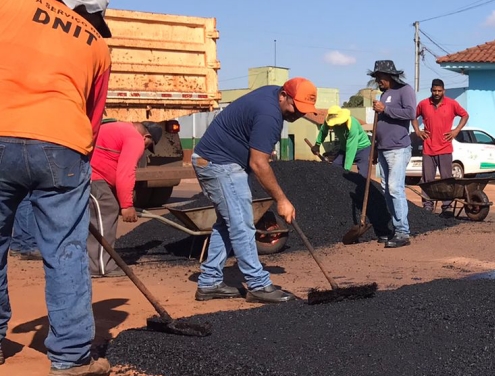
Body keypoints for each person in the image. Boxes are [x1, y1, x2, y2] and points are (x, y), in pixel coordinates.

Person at [0, 0, 113, 376]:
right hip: (62, 143)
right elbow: (93, 117)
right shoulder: (98, 46)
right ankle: (69, 360)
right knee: (65, 251)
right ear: (85, 12)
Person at [191, 78, 318, 303]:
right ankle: (259, 285)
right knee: (241, 224)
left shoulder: (271, 96)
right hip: (220, 164)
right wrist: (282, 200)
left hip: (216, 161)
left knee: (227, 223)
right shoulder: (269, 115)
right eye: (295, 107)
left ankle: (209, 282)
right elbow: (259, 163)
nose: (297, 114)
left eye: (303, 110)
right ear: (283, 96)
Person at [88, 120, 161, 277]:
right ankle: (101, 267)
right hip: (93, 176)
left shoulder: (118, 128)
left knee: (96, 217)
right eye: (149, 144)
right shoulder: (135, 139)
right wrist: (127, 205)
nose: (146, 148)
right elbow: (126, 172)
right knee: (107, 209)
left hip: (84, 173)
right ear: (146, 136)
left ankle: (91, 263)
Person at [370, 60, 417, 248]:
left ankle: (403, 232)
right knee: (386, 189)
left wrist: (385, 109)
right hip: (383, 149)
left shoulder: (405, 90)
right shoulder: (385, 94)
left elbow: (410, 113)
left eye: (380, 77)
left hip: (398, 148)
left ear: (389, 76)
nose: (378, 81)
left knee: (395, 188)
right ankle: (395, 229)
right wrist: (375, 147)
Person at [414, 79, 469, 215]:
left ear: (443, 91)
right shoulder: (423, 104)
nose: (437, 93)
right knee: (427, 180)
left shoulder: (451, 104)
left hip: (445, 147)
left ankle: (447, 207)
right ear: (431, 90)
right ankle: (427, 206)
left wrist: (456, 131)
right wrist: (418, 131)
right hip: (428, 147)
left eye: (439, 91)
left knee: (446, 178)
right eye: (434, 91)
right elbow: (413, 117)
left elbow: (465, 115)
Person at [315, 105, 371, 172]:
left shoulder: (352, 125)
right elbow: (323, 131)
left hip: (362, 148)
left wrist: (346, 169)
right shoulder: (328, 121)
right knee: (335, 168)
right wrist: (317, 144)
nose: (335, 125)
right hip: (344, 148)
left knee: (362, 174)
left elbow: (351, 148)